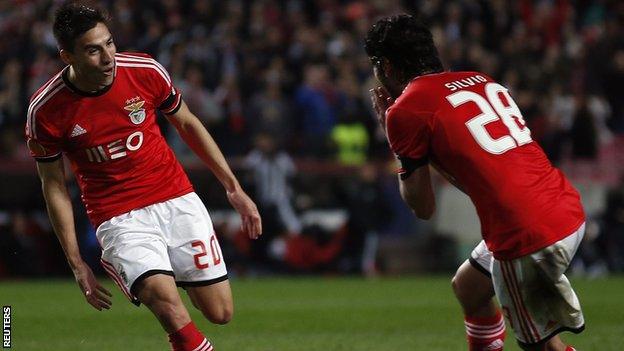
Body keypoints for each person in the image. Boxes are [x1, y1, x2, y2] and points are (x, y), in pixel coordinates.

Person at [24, 3, 262, 351]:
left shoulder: (144, 70)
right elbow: (54, 185)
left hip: (175, 197)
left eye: (109, 43)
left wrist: (233, 188)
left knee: (220, 311)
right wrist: (77, 263)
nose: (108, 57)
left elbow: (187, 123)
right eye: (93, 50)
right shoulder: (45, 111)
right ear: (67, 56)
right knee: (167, 305)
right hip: (118, 216)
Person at [366, 15, 585, 351]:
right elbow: (487, 170)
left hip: (523, 232)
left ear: (388, 67)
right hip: (563, 205)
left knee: (542, 346)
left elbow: (422, 207)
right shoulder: (479, 79)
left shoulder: (406, 109)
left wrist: (394, 138)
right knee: (469, 286)